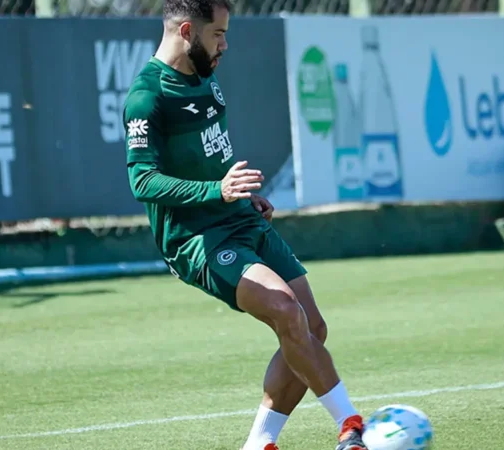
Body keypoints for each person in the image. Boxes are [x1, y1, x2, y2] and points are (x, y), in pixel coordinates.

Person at [121, 0, 367, 449]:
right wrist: (218, 191)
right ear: (184, 31)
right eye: (217, 34)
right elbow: (142, 180)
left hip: (238, 216)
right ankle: (351, 427)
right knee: (285, 310)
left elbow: (213, 154)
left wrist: (241, 192)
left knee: (312, 326)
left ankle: (259, 444)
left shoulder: (207, 79)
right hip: (196, 239)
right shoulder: (147, 96)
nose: (224, 45)